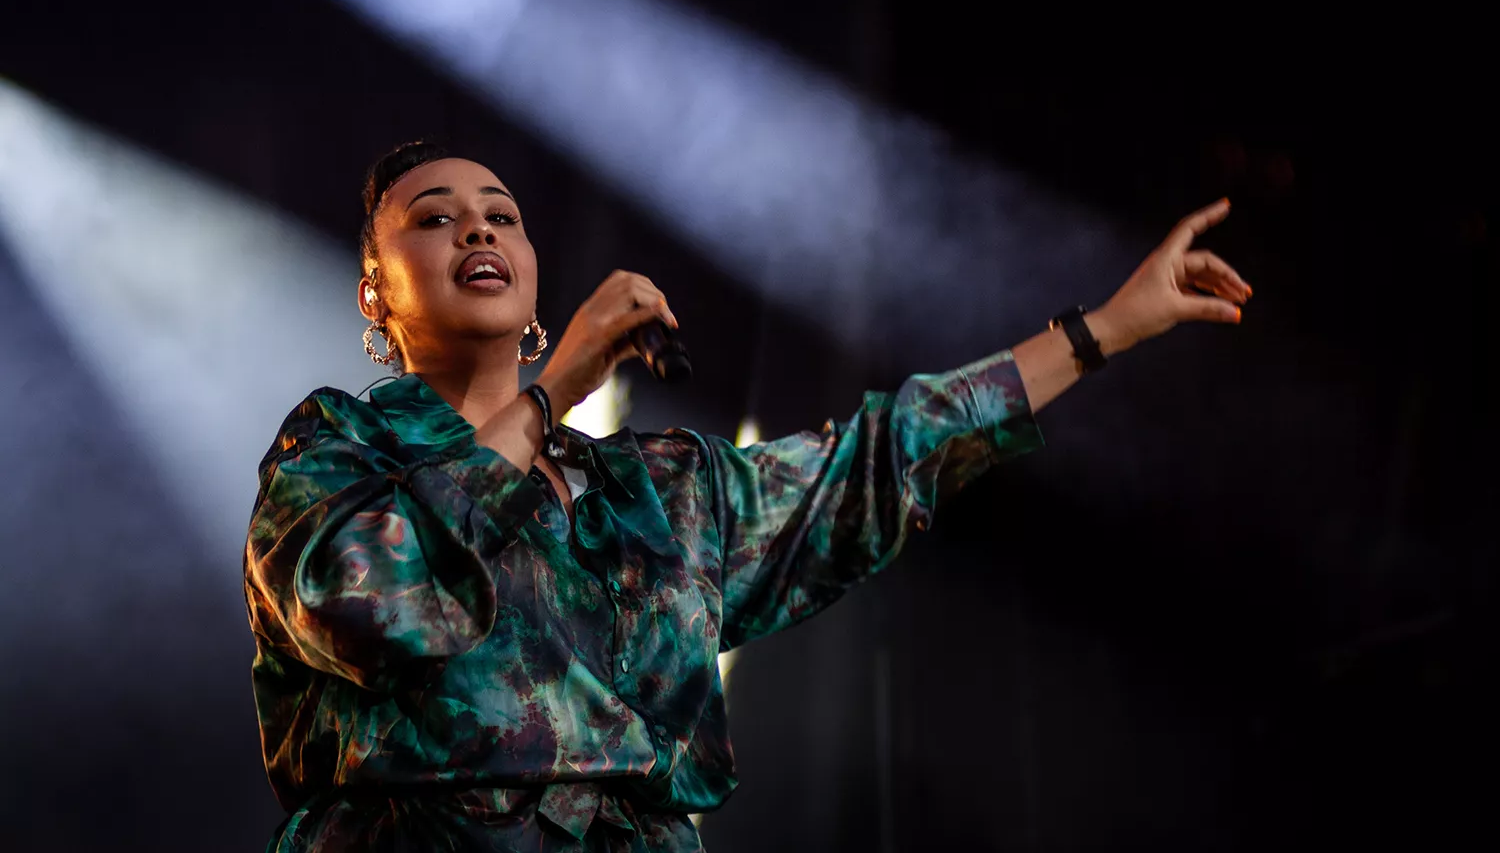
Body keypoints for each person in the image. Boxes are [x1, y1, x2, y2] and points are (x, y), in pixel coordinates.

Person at [245, 140, 1250, 852]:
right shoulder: (340, 447)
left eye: (501, 215)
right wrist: (552, 396)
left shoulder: (661, 490)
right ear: (375, 291)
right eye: (435, 217)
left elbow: (883, 454)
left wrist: (1104, 330)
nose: (478, 226)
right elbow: (368, 601)